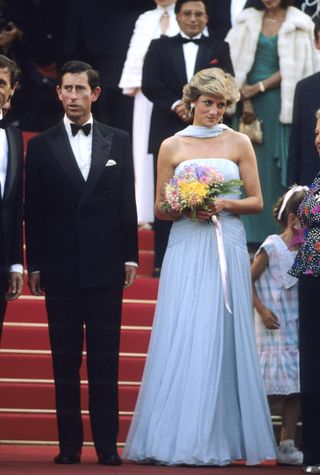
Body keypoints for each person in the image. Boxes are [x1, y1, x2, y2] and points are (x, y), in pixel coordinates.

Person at [123, 67, 276, 465]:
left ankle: (220, 437)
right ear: (192, 102)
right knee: (184, 327)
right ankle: (175, 434)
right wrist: (186, 204)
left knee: (221, 331)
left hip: (225, 239)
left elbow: (258, 201)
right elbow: (159, 207)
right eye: (208, 103)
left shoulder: (239, 141)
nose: (215, 111)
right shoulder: (172, 145)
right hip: (187, 242)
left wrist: (223, 203)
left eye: (222, 104)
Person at [24, 60, 138, 466]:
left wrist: (130, 254)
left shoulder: (118, 140)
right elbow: (32, 209)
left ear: (96, 93)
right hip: (60, 267)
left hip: (106, 264)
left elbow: (127, 199)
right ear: (58, 93)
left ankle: (107, 444)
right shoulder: (39, 145)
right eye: (66, 89)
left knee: (106, 359)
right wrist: (34, 263)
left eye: (79, 89)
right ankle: (69, 445)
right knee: (64, 361)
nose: (73, 96)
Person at [142, 0, 234, 276]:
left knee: (209, 187)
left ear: (207, 18)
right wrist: (175, 104)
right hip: (166, 127)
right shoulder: (159, 45)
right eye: (188, 14)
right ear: (178, 17)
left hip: (208, 134)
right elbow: (149, 83)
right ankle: (161, 260)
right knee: (166, 194)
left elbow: (227, 84)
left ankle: (209, 258)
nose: (193, 19)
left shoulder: (220, 48)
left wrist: (200, 109)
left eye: (199, 14)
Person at [225, 0, 319, 245]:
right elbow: (234, 65)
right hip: (246, 102)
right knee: (248, 165)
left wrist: (260, 87)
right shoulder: (246, 20)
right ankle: (248, 233)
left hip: (280, 102)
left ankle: (277, 230)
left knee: (279, 169)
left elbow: (298, 70)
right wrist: (244, 98)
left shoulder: (301, 22)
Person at [252, 186, 308, 466]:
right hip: (272, 328)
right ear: (293, 220)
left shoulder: (309, 251)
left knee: (296, 387)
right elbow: (246, 279)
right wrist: (261, 310)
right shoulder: (272, 246)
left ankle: (286, 443)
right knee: (270, 388)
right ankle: (248, 434)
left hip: (295, 328)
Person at [119, 0, 179, 226]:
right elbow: (136, 54)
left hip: (176, 93)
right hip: (146, 91)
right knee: (143, 149)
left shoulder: (186, 14)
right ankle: (144, 210)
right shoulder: (144, 18)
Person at [289, 109, 320, 474]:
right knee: (311, 366)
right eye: (315, 131)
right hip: (311, 275)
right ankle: (312, 453)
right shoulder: (316, 176)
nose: (316, 138)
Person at [0, 54, 23, 341]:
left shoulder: (14, 137)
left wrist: (15, 263)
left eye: (2, 82)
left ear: (12, 89)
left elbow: (15, 205)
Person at [287, 18, 320, 187]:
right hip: (309, 187)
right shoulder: (304, 88)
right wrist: (292, 189)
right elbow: (296, 145)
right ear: (316, 43)